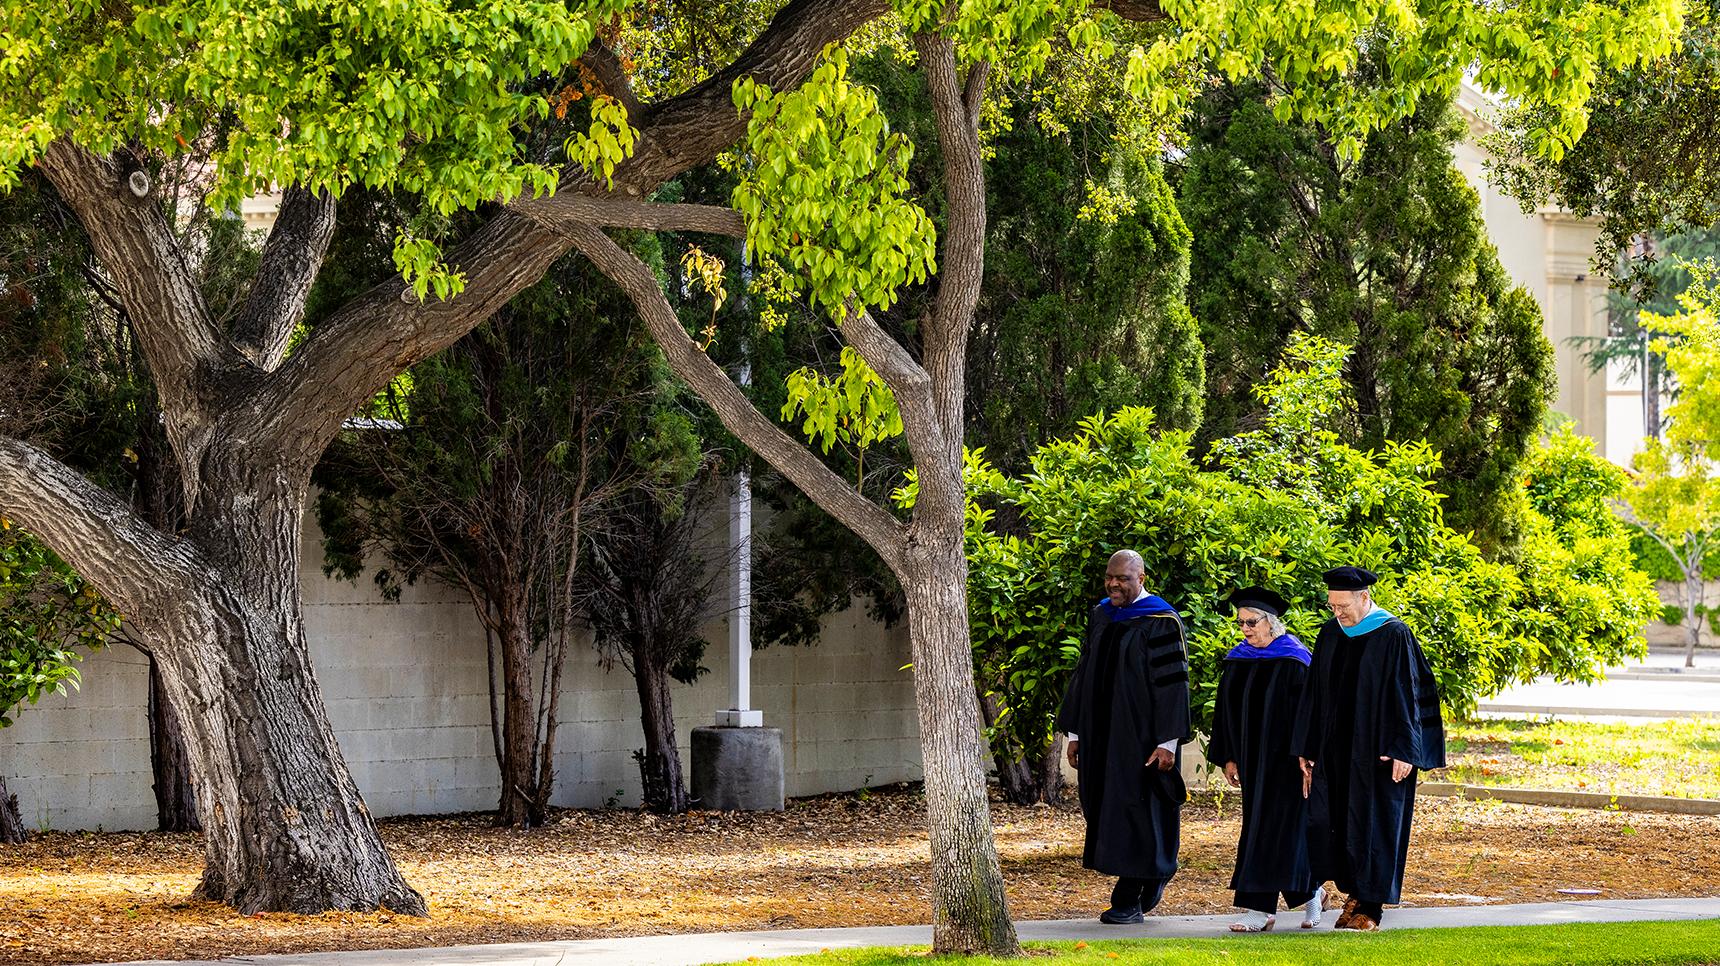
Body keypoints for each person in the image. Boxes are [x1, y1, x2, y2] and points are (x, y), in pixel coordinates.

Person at [1293, 566, 1445, 931]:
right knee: (1335, 822)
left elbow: (1410, 693)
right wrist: (1307, 747)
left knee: (1375, 824)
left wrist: (1406, 749)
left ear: (1364, 597)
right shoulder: (1330, 634)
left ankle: (1370, 906)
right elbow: (1314, 693)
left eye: (1343, 605)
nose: (1338, 613)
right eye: (1332, 606)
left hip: (1379, 753)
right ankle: (1355, 895)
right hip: (1335, 752)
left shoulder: (1394, 634)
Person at [1058, 549, 1192, 925]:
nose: (1114, 584)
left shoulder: (1161, 620)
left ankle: (1129, 895)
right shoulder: (1101, 615)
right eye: (1109, 578)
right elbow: (1084, 674)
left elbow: (1173, 685)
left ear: (1142, 578)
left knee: (1138, 808)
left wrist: (1168, 743)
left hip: (1142, 739)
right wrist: (1075, 732)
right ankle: (1152, 874)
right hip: (1101, 738)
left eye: (1123, 578)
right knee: (1107, 808)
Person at [1207, 586, 1323, 933]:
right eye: (1241, 622)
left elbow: (1311, 714)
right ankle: (1308, 892)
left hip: (1289, 763)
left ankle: (1262, 908)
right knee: (1260, 828)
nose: (1244, 629)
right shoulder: (1238, 660)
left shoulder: (1295, 660)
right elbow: (1225, 713)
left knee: (1284, 831)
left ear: (1271, 623)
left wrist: (1309, 756)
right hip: (1252, 762)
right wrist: (1228, 756)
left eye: (1251, 622)